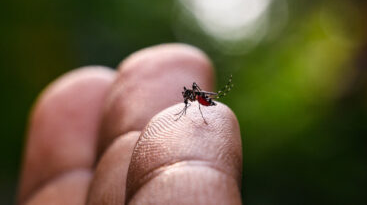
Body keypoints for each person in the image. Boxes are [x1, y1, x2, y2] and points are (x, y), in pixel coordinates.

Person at [18, 44, 242, 205]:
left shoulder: (195, 96)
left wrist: (201, 103)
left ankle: (217, 95)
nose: (186, 96)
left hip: (205, 103)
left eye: (188, 95)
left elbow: (193, 99)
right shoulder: (189, 97)